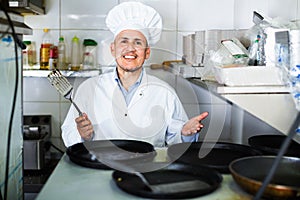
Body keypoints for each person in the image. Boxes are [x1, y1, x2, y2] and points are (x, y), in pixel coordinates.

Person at [61, 2, 209, 148]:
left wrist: (185, 133)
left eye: (138, 43)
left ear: (147, 53)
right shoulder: (88, 89)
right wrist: (82, 135)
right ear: (113, 49)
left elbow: (176, 141)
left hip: (147, 168)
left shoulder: (164, 92)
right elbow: (69, 133)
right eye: (124, 42)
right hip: (98, 167)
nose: (130, 49)